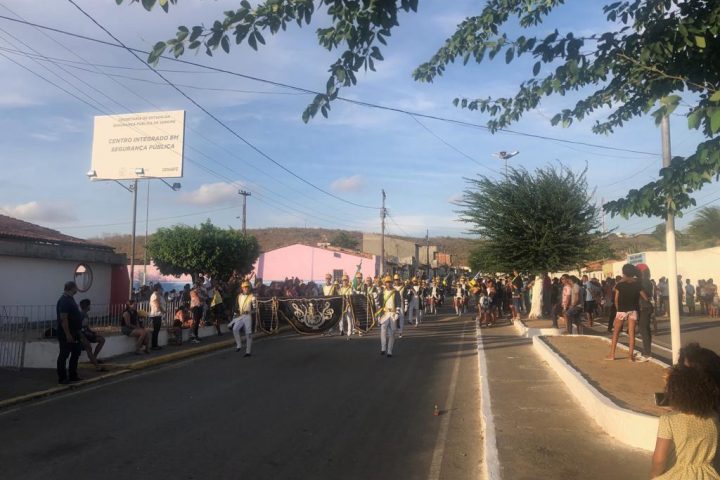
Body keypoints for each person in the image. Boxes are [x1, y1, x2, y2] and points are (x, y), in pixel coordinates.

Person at [650, 365, 720, 479]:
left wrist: (654, 476)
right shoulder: (714, 417)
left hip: (678, 474)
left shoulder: (669, 420)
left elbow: (659, 460)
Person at [606, 264, 649, 362]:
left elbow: (616, 299)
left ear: (624, 273)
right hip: (633, 310)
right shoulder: (637, 284)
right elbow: (645, 298)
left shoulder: (620, 285)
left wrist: (618, 309)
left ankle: (612, 355)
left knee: (616, 332)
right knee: (632, 334)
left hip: (621, 310)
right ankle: (630, 356)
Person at [56, 281, 84, 384]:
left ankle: (73, 375)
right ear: (72, 288)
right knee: (64, 355)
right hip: (66, 333)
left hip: (75, 332)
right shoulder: (64, 301)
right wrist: (68, 334)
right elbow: (64, 319)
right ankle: (62, 378)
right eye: (76, 288)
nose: (77, 290)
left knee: (75, 353)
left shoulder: (70, 299)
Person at [78, 299, 106, 372]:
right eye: (89, 305)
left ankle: (94, 358)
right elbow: (78, 328)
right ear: (86, 306)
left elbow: (86, 326)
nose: (90, 306)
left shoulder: (86, 314)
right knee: (88, 347)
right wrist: (83, 337)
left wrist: (92, 332)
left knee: (101, 339)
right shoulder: (80, 315)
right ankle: (97, 366)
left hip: (87, 333)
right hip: (82, 335)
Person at [229, 281, 255, 357]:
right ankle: (239, 345)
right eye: (244, 287)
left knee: (248, 334)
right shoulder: (239, 296)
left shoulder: (253, 297)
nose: (246, 289)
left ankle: (248, 352)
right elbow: (236, 307)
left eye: (247, 287)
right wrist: (235, 315)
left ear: (249, 288)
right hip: (240, 316)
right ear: (242, 288)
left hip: (248, 317)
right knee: (235, 329)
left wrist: (249, 312)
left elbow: (256, 309)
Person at [378, 275, 400, 357]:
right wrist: (379, 315)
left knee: (392, 333)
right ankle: (383, 348)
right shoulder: (382, 292)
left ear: (392, 283)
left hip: (393, 314)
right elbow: (380, 305)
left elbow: (398, 303)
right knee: (383, 331)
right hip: (385, 313)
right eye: (387, 282)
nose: (388, 283)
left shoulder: (396, 292)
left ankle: (389, 351)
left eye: (390, 282)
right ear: (385, 283)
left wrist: (397, 313)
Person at [148, 284, 166, 350]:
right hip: (156, 314)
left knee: (157, 330)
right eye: (160, 288)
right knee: (156, 330)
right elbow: (157, 304)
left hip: (158, 314)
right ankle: (154, 345)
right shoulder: (155, 295)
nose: (161, 289)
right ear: (158, 288)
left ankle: (155, 344)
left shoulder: (158, 295)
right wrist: (162, 310)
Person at [338, 274, 353, 339]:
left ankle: (349, 331)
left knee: (349, 318)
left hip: (348, 305)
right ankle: (341, 330)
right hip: (342, 305)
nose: (344, 281)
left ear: (348, 281)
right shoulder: (340, 289)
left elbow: (351, 297)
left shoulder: (350, 289)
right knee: (340, 319)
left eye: (346, 280)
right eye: (343, 280)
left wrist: (348, 303)